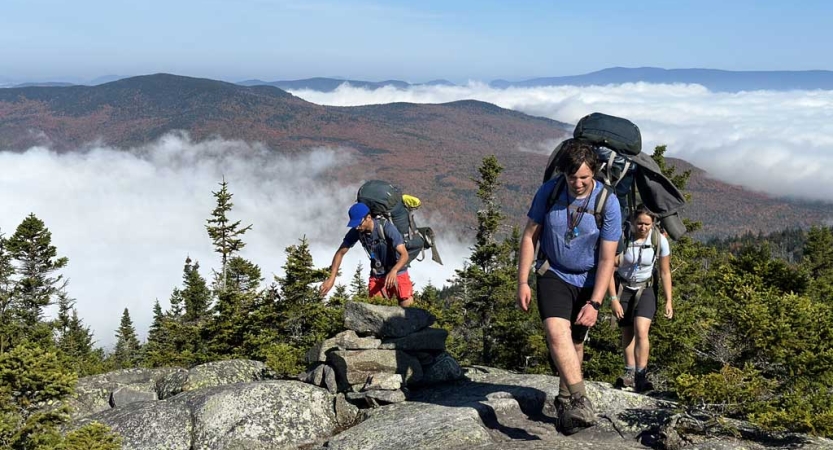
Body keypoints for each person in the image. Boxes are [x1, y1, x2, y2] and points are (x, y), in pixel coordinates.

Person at [517, 139, 621, 434]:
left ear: (595, 174)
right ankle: (580, 399)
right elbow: (529, 238)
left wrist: (596, 303)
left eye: (584, 178)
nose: (577, 183)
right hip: (553, 271)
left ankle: (565, 403)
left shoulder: (607, 203)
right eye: (572, 177)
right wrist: (523, 281)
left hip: (590, 279)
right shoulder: (549, 192)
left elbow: (607, 258)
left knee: (575, 342)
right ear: (564, 174)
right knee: (555, 330)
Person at [608, 205, 673, 392]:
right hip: (623, 287)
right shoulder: (621, 239)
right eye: (639, 223)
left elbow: (665, 271)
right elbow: (609, 269)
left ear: (653, 224)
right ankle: (629, 372)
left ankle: (641, 375)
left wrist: (669, 300)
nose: (643, 227)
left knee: (641, 330)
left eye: (647, 224)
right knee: (627, 330)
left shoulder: (659, 241)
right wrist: (613, 299)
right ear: (632, 222)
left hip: (646, 288)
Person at [320, 202, 414, 307]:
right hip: (377, 274)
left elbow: (404, 255)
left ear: (368, 217)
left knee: (407, 309)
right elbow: (340, 253)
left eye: (359, 224)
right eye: (354, 225)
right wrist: (332, 278)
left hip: (398, 272)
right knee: (375, 311)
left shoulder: (386, 227)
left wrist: (394, 271)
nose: (357, 227)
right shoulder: (357, 232)